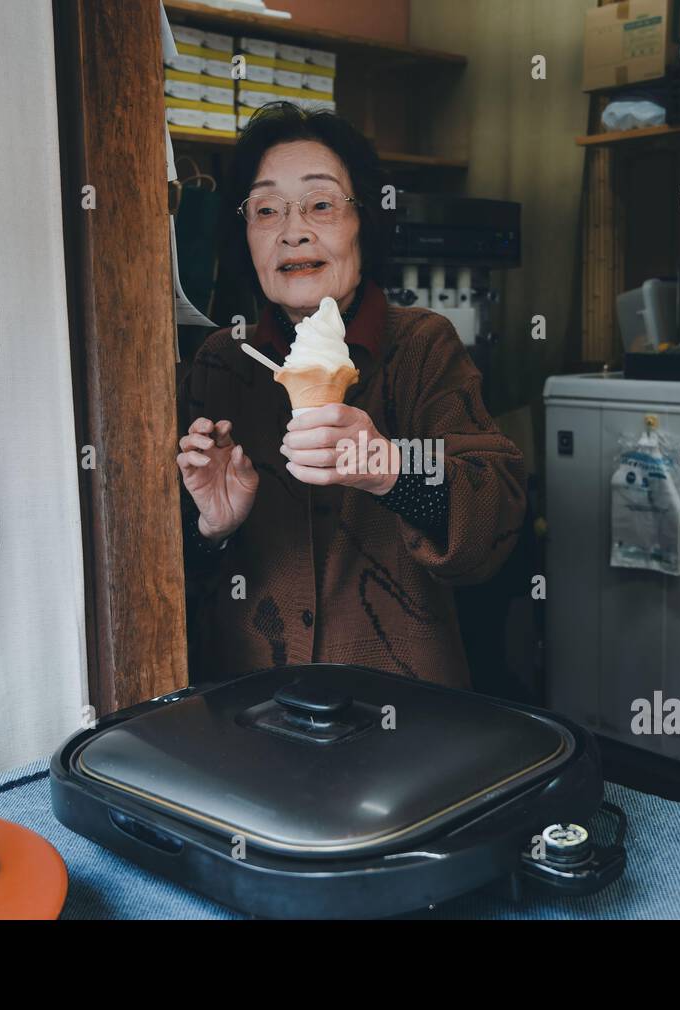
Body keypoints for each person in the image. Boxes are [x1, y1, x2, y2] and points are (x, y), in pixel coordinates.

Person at [177, 102, 525, 688]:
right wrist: (211, 526)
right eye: (266, 209)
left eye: (320, 204)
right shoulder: (222, 361)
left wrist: (393, 467)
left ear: (366, 222)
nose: (293, 230)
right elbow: (161, 573)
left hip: (402, 711)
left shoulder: (420, 345)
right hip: (247, 703)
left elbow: (499, 512)